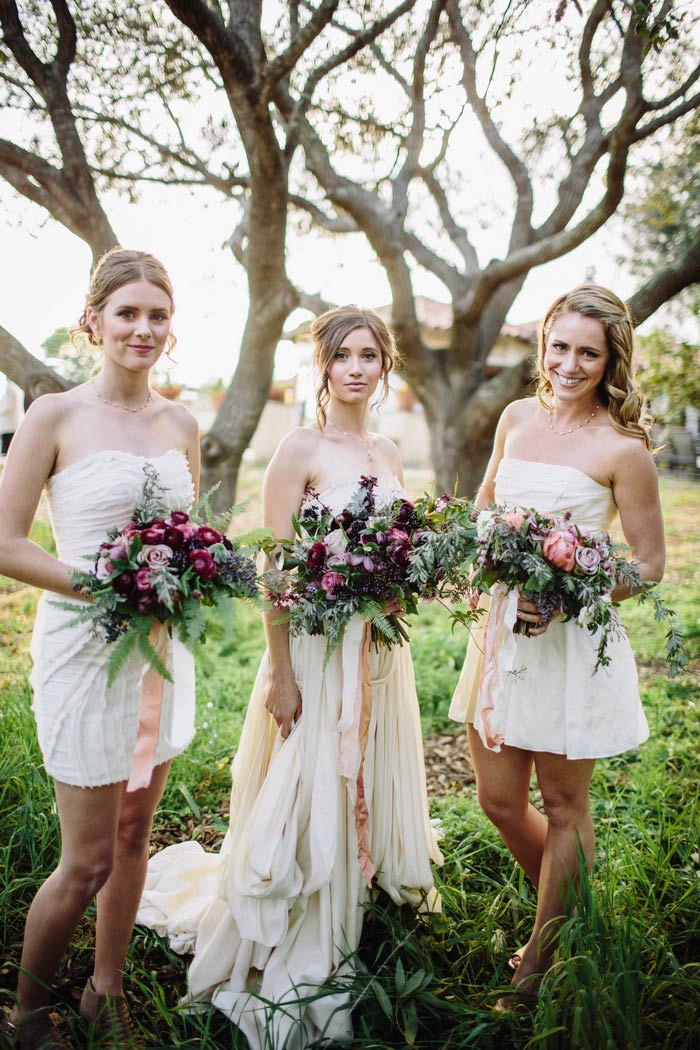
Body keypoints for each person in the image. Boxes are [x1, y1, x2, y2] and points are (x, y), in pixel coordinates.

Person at [137, 306, 442, 1049]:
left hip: (377, 652)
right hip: (310, 647)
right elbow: (274, 570)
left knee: (361, 774)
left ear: (385, 365)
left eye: (371, 355)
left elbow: (400, 560)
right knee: (311, 780)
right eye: (344, 356)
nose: (359, 369)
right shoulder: (297, 450)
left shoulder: (393, 451)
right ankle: (299, 917)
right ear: (323, 367)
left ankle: (357, 899)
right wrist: (279, 671)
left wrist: (407, 581)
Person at [0, 248, 200, 1049]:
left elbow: (189, 534)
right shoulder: (53, 414)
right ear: (94, 323)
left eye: (157, 315)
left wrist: (192, 570)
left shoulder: (182, 422)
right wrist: (107, 586)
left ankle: (104, 990)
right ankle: (27, 1017)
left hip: (162, 650)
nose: (142, 328)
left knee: (133, 837)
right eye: (127, 313)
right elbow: (7, 544)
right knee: (83, 859)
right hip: (85, 651)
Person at [449, 284, 665, 1009]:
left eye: (588, 353)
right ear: (544, 344)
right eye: (561, 346)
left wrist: (571, 588)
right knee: (499, 800)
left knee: (565, 805)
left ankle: (539, 958)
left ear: (610, 362)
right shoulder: (515, 417)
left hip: (570, 642)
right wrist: (488, 559)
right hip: (499, 634)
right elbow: (484, 509)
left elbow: (649, 563)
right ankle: (574, 908)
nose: (569, 364)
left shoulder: (621, 448)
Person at [0, 378, 23, 455]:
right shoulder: (16, 388)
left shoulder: (9, 388)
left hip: (9, 425)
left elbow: (7, 406)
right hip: (14, 424)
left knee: (6, 448)